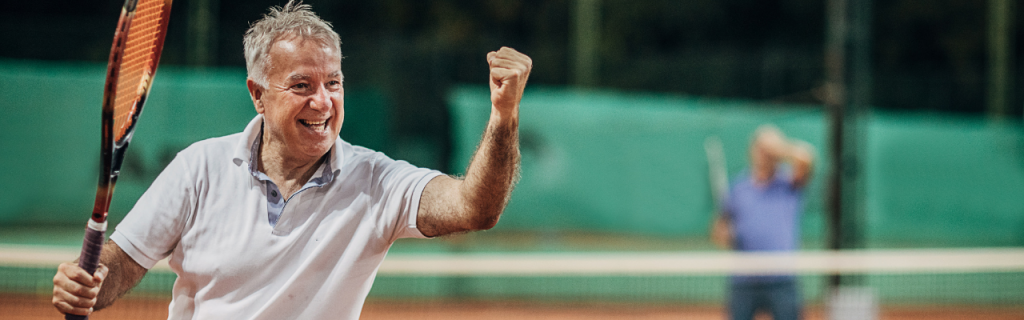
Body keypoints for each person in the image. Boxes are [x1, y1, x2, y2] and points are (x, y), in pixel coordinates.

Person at [51, 1, 532, 319]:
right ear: (257, 94)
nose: (323, 102)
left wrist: (503, 116)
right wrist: (86, 283)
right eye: (301, 86)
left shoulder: (378, 181)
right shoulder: (199, 168)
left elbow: (474, 208)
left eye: (333, 83)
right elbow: (122, 263)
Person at [710, 125, 815, 320]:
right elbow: (721, 226)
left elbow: (806, 157)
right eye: (761, 148)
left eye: (769, 150)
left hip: (782, 279)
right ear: (752, 150)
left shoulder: (789, 184)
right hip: (744, 280)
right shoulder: (738, 188)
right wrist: (724, 234)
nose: (765, 154)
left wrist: (778, 148)